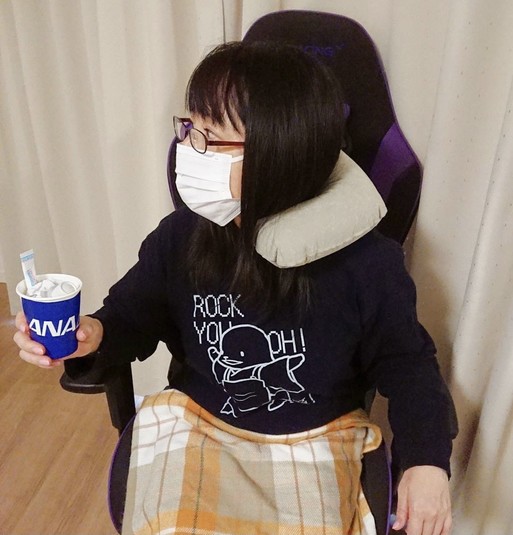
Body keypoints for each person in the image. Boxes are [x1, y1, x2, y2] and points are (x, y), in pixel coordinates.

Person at [14, 41, 453, 535]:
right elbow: (129, 316)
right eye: (189, 129)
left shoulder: (366, 263)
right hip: (198, 422)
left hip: (317, 437)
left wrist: (426, 461)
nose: (187, 150)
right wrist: (90, 334)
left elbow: (408, 365)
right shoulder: (182, 238)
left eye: (210, 138)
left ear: (278, 152)